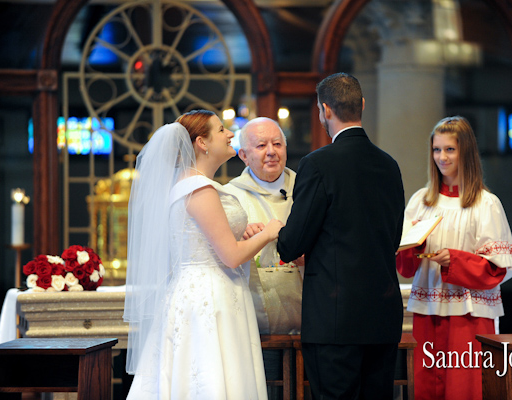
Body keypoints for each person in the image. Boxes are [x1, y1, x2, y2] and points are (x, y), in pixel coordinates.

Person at [123, 110, 283, 399]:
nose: (230, 134)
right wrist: (269, 233)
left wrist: (244, 231)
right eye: (222, 130)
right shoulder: (198, 189)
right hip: (209, 297)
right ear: (202, 143)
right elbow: (231, 257)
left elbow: (212, 240)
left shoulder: (195, 185)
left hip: (209, 291)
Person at [276, 72, 405, 399]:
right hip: (383, 317)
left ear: (324, 111)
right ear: (361, 105)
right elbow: (393, 239)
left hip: (335, 320)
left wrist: (277, 233)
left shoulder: (318, 164)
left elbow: (292, 244)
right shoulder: (389, 165)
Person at [395, 116, 512, 400]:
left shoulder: (485, 204)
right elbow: (404, 267)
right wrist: (415, 248)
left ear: (466, 152)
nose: (442, 157)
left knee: (464, 389)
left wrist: (455, 260)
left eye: (449, 149)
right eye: (437, 150)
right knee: (426, 386)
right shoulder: (420, 202)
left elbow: (496, 270)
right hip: (427, 312)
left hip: (469, 314)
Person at [225, 117, 302, 335]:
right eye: (261, 145)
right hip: (254, 320)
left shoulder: (306, 189)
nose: (271, 151)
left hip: (309, 314)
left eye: (277, 144)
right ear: (244, 156)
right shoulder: (230, 197)